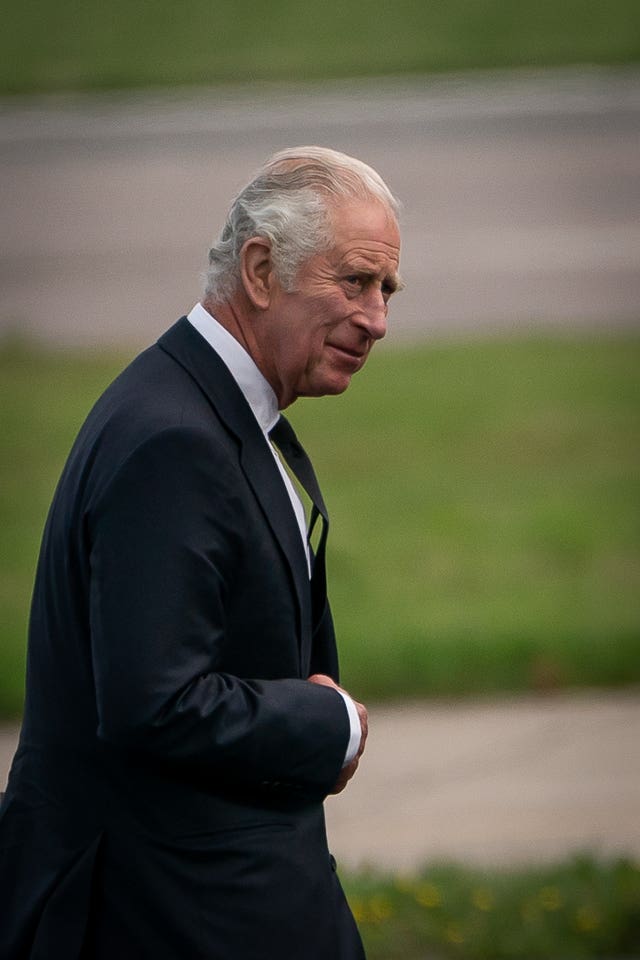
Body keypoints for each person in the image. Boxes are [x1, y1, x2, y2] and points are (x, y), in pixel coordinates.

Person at [0, 146, 402, 959]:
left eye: (386, 290)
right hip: (165, 914)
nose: (377, 319)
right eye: (354, 281)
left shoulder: (198, 406)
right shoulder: (173, 440)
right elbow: (156, 702)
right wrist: (327, 724)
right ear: (260, 270)